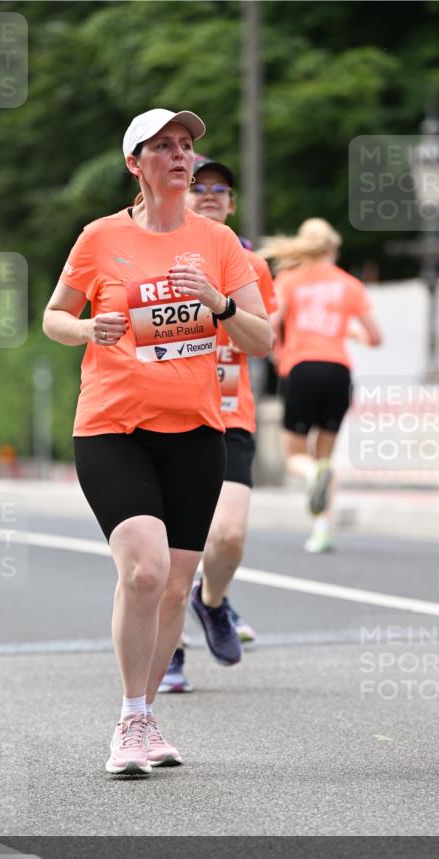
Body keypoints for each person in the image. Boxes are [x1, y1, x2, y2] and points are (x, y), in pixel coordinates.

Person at [42, 109, 272, 776]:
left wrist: (220, 304)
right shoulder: (99, 238)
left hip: (197, 432)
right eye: (164, 146)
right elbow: (55, 316)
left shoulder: (218, 243)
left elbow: (262, 339)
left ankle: (146, 716)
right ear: (134, 163)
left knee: (174, 587)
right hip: (112, 427)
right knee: (143, 569)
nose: (180, 156)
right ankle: (128, 719)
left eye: (186, 146)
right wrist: (88, 331)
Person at [159, 155, 278, 695]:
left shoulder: (252, 265)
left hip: (229, 413)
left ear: (231, 204)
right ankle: (170, 651)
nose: (209, 194)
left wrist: (221, 305)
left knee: (227, 535)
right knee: (165, 548)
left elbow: (263, 336)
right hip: (167, 413)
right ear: (180, 196)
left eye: (220, 189)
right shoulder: (154, 253)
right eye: (199, 186)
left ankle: (210, 603)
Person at [261, 218, 382, 553]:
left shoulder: (289, 280)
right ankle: (322, 529)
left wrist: (277, 352)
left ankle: (312, 474)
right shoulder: (348, 284)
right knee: (326, 456)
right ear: (333, 247)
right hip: (338, 371)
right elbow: (375, 337)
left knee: (296, 456)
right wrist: (350, 332)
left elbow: (271, 325)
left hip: (301, 369)